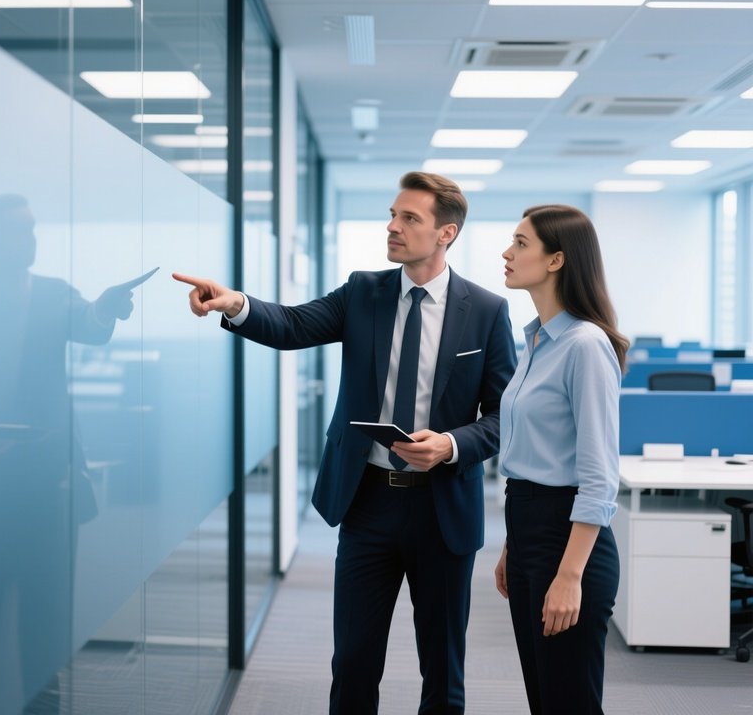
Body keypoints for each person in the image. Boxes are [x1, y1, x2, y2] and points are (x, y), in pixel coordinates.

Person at [174, 171, 516, 714]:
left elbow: (504, 417)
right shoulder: (364, 292)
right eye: (392, 214)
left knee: (443, 668)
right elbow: (290, 325)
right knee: (353, 663)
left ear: (446, 233)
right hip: (368, 503)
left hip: (442, 507)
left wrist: (451, 444)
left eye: (409, 218)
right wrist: (235, 302)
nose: (393, 227)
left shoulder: (488, 311)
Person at [0, 194, 136, 713]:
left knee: (46, 626)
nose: (31, 239)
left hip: (45, 485)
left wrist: (104, 308)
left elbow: (90, 326)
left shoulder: (56, 295)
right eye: (19, 230)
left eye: (32, 229)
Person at [493, 204, 628, 715]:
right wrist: (514, 544)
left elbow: (597, 478)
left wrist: (570, 575)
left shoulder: (584, 346)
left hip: (568, 540)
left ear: (556, 260)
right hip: (529, 527)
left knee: (568, 702)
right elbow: (535, 457)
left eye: (521, 243)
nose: (508, 253)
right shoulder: (535, 342)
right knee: (544, 699)